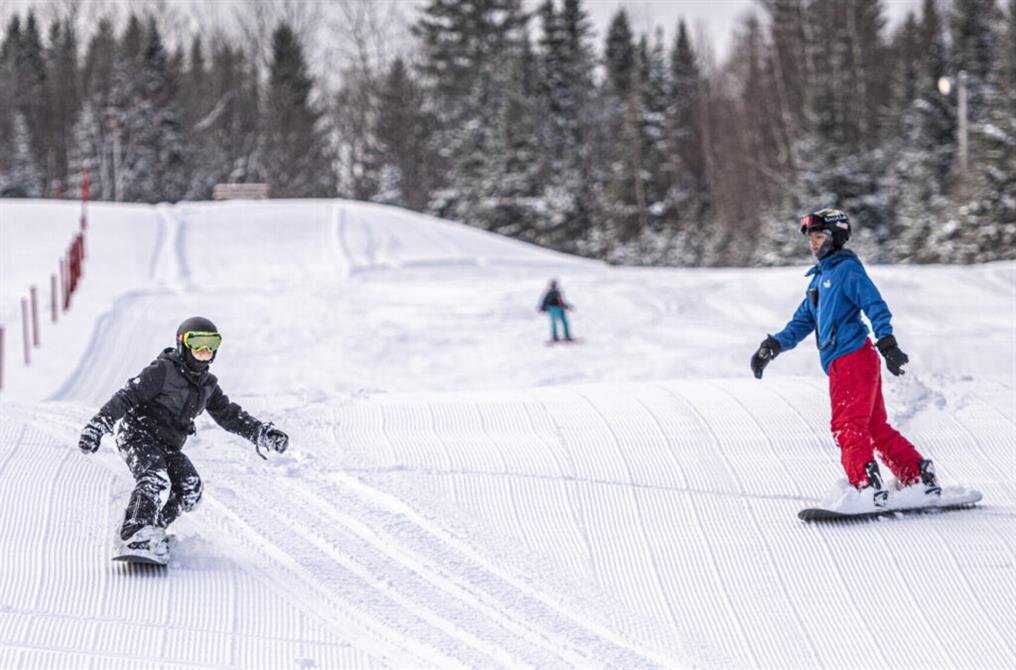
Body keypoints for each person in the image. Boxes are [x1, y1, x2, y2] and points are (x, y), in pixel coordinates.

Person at [749, 209, 940, 507]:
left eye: (820, 236)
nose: (814, 244)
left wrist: (887, 342)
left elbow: (874, 304)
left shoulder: (847, 271)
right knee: (874, 428)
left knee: (847, 426)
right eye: (811, 238)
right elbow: (802, 322)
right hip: (850, 362)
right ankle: (918, 476)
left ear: (836, 237)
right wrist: (772, 346)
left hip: (852, 359)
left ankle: (865, 486)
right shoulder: (819, 280)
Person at [78, 316, 289, 558]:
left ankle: (153, 530)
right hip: (138, 435)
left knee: (190, 487)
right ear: (183, 345)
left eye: (211, 345)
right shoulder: (163, 371)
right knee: (155, 479)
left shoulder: (208, 385)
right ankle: (134, 533)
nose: (204, 351)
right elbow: (126, 396)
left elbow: (229, 414)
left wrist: (261, 432)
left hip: (167, 445)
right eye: (197, 344)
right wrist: (98, 425)